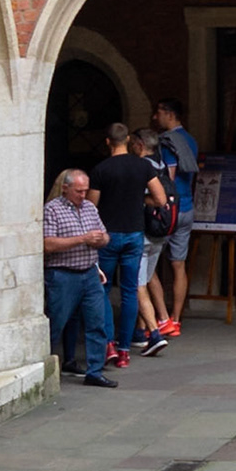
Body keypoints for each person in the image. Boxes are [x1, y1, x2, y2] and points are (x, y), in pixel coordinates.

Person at [87, 122, 168, 367]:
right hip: (134, 234)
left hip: (109, 235)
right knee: (130, 290)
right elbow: (160, 198)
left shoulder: (101, 169)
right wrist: (139, 200)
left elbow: (91, 207)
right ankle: (124, 350)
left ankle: (109, 343)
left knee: (103, 289)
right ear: (128, 141)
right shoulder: (142, 166)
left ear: (108, 142)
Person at [43, 169, 116, 388]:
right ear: (65, 188)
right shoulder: (52, 210)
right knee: (57, 321)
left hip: (89, 273)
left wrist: (100, 240)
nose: (83, 195)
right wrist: (82, 239)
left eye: (85, 190)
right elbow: (48, 244)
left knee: (96, 322)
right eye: (78, 191)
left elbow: (105, 236)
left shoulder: (90, 208)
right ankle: (41, 363)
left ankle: (95, 370)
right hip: (63, 274)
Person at [152, 99, 199, 334]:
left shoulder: (168, 141)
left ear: (169, 114)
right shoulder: (191, 140)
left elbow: (168, 178)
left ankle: (160, 319)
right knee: (178, 265)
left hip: (169, 209)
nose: (155, 117)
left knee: (149, 265)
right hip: (187, 207)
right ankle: (176, 319)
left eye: (158, 112)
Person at [130, 128, 173, 355]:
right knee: (144, 280)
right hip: (161, 230)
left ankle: (154, 332)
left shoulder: (141, 167)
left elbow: (155, 197)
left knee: (137, 285)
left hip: (143, 229)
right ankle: (141, 329)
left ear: (139, 144)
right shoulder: (162, 165)